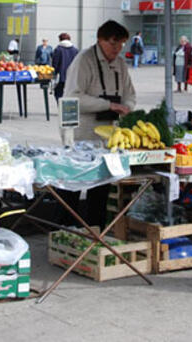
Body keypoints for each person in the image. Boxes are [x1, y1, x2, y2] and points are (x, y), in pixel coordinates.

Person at [64, 20, 136, 227]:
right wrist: (109, 105)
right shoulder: (84, 60)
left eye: (121, 44)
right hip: (81, 131)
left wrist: (127, 107)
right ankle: (68, 229)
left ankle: (97, 229)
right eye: (113, 43)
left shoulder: (120, 64)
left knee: (102, 185)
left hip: (108, 134)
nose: (117, 48)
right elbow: (72, 98)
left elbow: (130, 94)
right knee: (75, 183)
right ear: (100, 40)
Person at [52, 32, 78, 103]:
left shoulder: (58, 49)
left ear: (60, 39)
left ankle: (60, 107)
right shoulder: (75, 50)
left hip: (61, 76)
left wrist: (54, 74)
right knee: (70, 93)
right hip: (72, 76)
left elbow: (55, 64)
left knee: (58, 93)